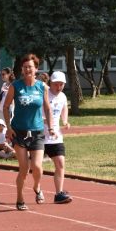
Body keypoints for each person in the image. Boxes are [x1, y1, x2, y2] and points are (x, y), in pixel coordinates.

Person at [3, 53, 54, 211]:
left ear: (36, 69)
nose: (27, 69)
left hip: (37, 131)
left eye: (30, 67)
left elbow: (47, 107)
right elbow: (6, 107)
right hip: (19, 131)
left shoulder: (42, 87)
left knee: (37, 167)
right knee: (24, 168)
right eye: (25, 67)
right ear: (22, 69)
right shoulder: (15, 86)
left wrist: (51, 126)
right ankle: (20, 198)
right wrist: (9, 127)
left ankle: (37, 187)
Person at [44, 71, 72, 204]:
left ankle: (58, 193)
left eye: (61, 84)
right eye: (56, 84)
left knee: (60, 163)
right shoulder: (44, 94)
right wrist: (46, 122)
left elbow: (64, 108)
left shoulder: (63, 97)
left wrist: (65, 121)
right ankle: (37, 190)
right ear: (51, 83)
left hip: (55, 137)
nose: (59, 87)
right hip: (40, 136)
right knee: (33, 168)